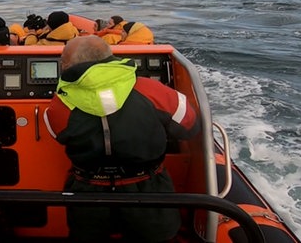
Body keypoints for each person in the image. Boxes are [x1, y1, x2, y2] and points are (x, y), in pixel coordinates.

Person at [44, 36, 200, 243]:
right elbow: (189, 127)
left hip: (88, 193)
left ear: (70, 66)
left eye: (63, 61)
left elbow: (59, 135)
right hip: (149, 190)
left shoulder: (59, 105)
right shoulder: (152, 91)